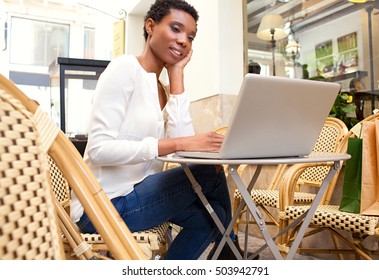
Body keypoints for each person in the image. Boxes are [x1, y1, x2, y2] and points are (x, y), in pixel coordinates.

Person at [70, 0, 256, 260]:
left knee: (213, 216)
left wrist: (177, 75)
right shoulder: (124, 68)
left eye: (190, 37)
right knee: (209, 173)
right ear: (150, 26)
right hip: (102, 206)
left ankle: (225, 248)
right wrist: (177, 144)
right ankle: (230, 249)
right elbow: (100, 150)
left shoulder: (162, 90)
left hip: (138, 196)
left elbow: (183, 148)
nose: (183, 41)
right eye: (176, 29)